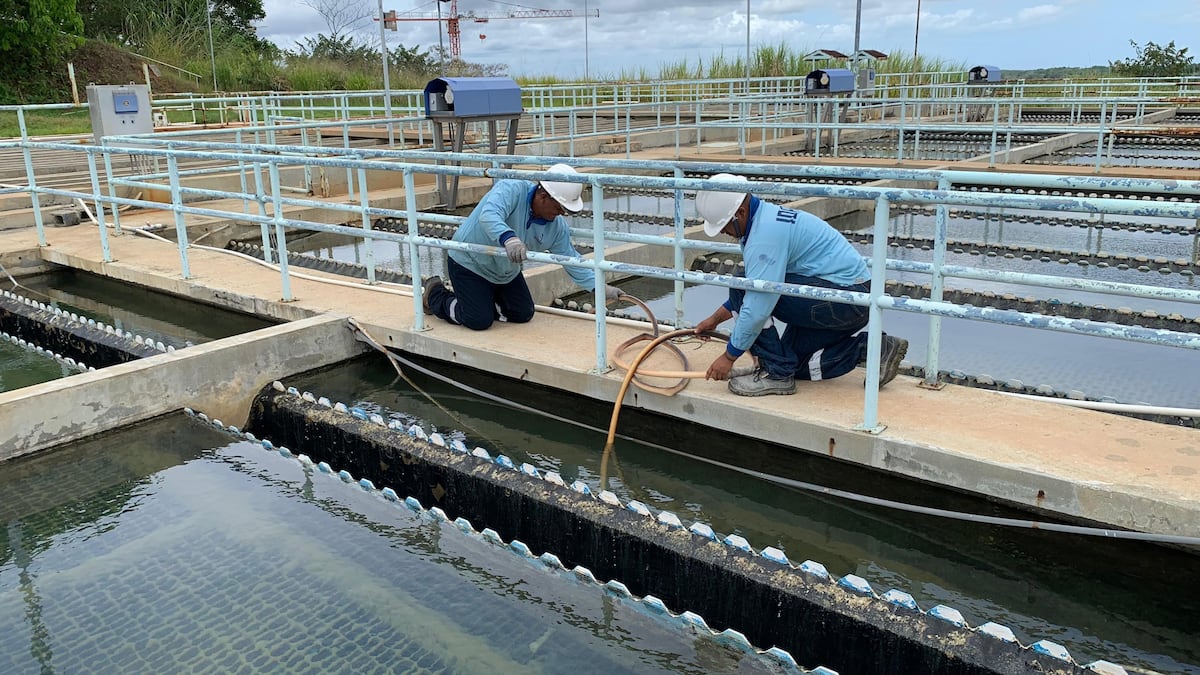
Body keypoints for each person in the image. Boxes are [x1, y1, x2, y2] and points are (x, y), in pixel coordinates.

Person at [692, 174, 908, 396]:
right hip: (851, 300)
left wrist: (729, 357)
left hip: (843, 299)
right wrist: (715, 319)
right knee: (795, 364)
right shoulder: (766, 219)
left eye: (724, 226)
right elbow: (755, 291)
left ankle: (777, 375)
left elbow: (756, 305)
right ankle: (872, 348)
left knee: (742, 284)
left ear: (740, 213)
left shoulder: (764, 235)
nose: (723, 233)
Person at [422, 163, 621, 330]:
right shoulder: (511, 189)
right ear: (543, 196)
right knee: (477, 320)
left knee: (523, 313)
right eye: (560, 207)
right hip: (469, 262)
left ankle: (479, 299)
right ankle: (436, 295)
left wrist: (599, 287)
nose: (562, 214)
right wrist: (508, 238)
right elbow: (489, 214)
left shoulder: (556, 227)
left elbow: (569, 257)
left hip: (504, 272)